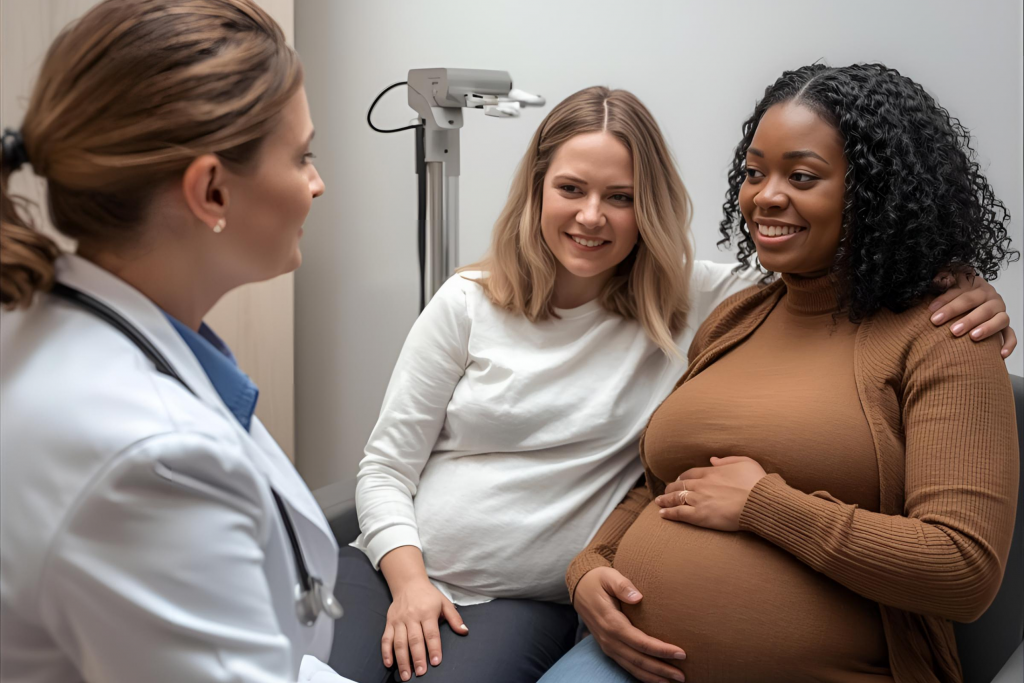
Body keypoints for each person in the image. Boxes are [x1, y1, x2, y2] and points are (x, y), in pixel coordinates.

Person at [330, 86, 1015, 683]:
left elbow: (834, 267)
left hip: (520, 602)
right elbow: (387, 466)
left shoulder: (703, 305)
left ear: (648, 204)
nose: (592, 216)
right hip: (405, 566)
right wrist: (421, 580)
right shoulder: (469, 301)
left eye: (620, 197)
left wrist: (959, 279)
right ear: (537, 188)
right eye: (571, 188)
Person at [543, 63, 1020, 683]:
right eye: (753, 172)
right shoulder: (736, 317)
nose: (765, 195)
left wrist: (766, 505)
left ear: (877, 191)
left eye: (801, 176)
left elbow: (962, 570)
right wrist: (589, 570)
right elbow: (660, 484)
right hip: (625, 662)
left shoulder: (947, 336)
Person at [0, 2, 352, 681]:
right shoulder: (147, 459)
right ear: (211, 190)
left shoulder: (57, 320)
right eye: (302, 155)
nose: (318, 183)